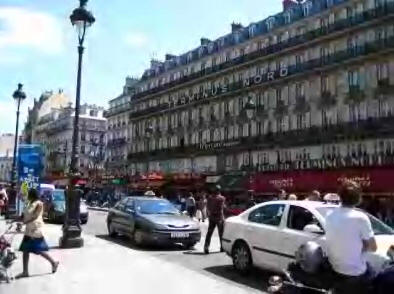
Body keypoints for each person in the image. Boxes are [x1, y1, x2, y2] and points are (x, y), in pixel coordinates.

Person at [325, 180, 377, 294]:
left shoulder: (329, 215)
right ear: (359, 198)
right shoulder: (361, 218)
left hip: (335, 268)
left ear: (340, 197)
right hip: (356, 272)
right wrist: (363, 246)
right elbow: (373, 247)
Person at [16, 188, 59, 279]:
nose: (28, 195)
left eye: (29, 194)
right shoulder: (29, 203)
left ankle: (53, 263)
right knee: (27, 250)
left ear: (32, 195)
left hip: (35, 230)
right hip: (29, 230)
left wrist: (23, 223)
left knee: (37, 250)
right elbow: (24, 215)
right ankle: (25, 271)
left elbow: (35, 216)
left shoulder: (39, 204)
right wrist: (17, 220)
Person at [204, 185, 226, 254]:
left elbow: (207, 207)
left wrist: (210, 214)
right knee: (221, 234)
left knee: (209, 233)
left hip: (212, 217)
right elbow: (221, 208)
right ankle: (222, 247)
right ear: (219, 191)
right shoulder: (221, 198)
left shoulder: (210, 198)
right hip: (219, 217)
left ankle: (206, 247)